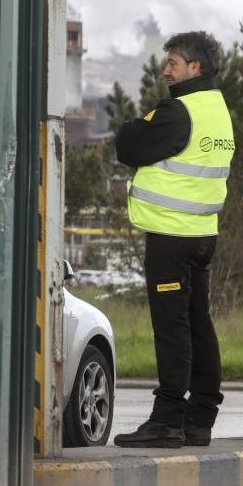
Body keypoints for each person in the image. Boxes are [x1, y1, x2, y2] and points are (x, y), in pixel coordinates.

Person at [112, 31, 235, 449]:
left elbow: (128, 145)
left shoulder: (178, 110)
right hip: (202, 235)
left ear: (195, 68)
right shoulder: (218, 109)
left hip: (171, 235)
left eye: (174, 63)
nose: (166, 70)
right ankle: (199, 419)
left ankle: (166, 420)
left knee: (172, 327)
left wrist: (132, 126)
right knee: (198, 322)